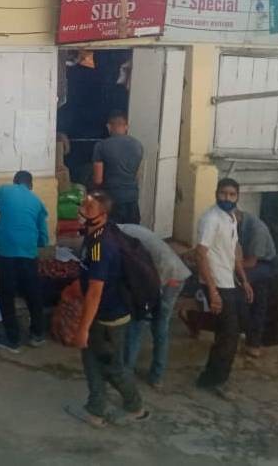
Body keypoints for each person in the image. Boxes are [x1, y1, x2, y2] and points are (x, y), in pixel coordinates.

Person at [74, 191, 147, 427]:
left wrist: (83, 328)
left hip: (108, 318)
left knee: (112, 367)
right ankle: (95, 409)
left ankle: (136, 407)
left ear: (103, 215)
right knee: (91, 360)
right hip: (102, 315)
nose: (82, 212)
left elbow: (96, 290)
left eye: (89, 209)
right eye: (83, 206)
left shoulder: (101, 247)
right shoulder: (97, 235)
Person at [194, 178, 254, 400]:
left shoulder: (230, 218)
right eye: (223, 194)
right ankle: (215, 380)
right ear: (216, 193)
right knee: (229, 335)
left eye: (232, 195)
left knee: (228, 333)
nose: (227, 198)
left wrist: (244, 280)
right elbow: (200, 254)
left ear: (237, 197)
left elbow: (233, 253)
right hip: (216, 282)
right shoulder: (211, 219)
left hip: (228, 281)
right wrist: (213, 291)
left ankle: (211, 376)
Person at [0, 171, 49, 353]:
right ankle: (38, 334)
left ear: (14, 182)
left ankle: (12, 339)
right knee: (33, 293)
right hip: (28, 252)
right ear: (31, 186)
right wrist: (32, 243)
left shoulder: (2, 190)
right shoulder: (37, 202)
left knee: (6, 294)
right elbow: (44, 237)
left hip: (6, 250)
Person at [121, 224, 192, 389]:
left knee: (138, 323)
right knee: (160, 327)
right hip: (174, 275)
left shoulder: (118, 238)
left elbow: (133, 269)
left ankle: (126, 373)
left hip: (164, 277)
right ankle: (157, 377)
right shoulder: (128, 230)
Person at [236, 208, 278, 358]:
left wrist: (230, 266)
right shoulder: (236, 223)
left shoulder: (257, 230)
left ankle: (252, 341)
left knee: (242, 291)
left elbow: (251, 262)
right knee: (251, 297)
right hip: (247, 260)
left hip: (263, 263)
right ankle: (249, 337)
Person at [92, 110, 143, 225]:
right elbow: (137, 174)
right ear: (126, 127)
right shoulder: (138, 145)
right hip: (132, 198)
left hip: (112, 199)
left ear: (109, 127)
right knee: (133, 234)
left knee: (115, 236)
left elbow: (97, 180)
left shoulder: (101, 146)